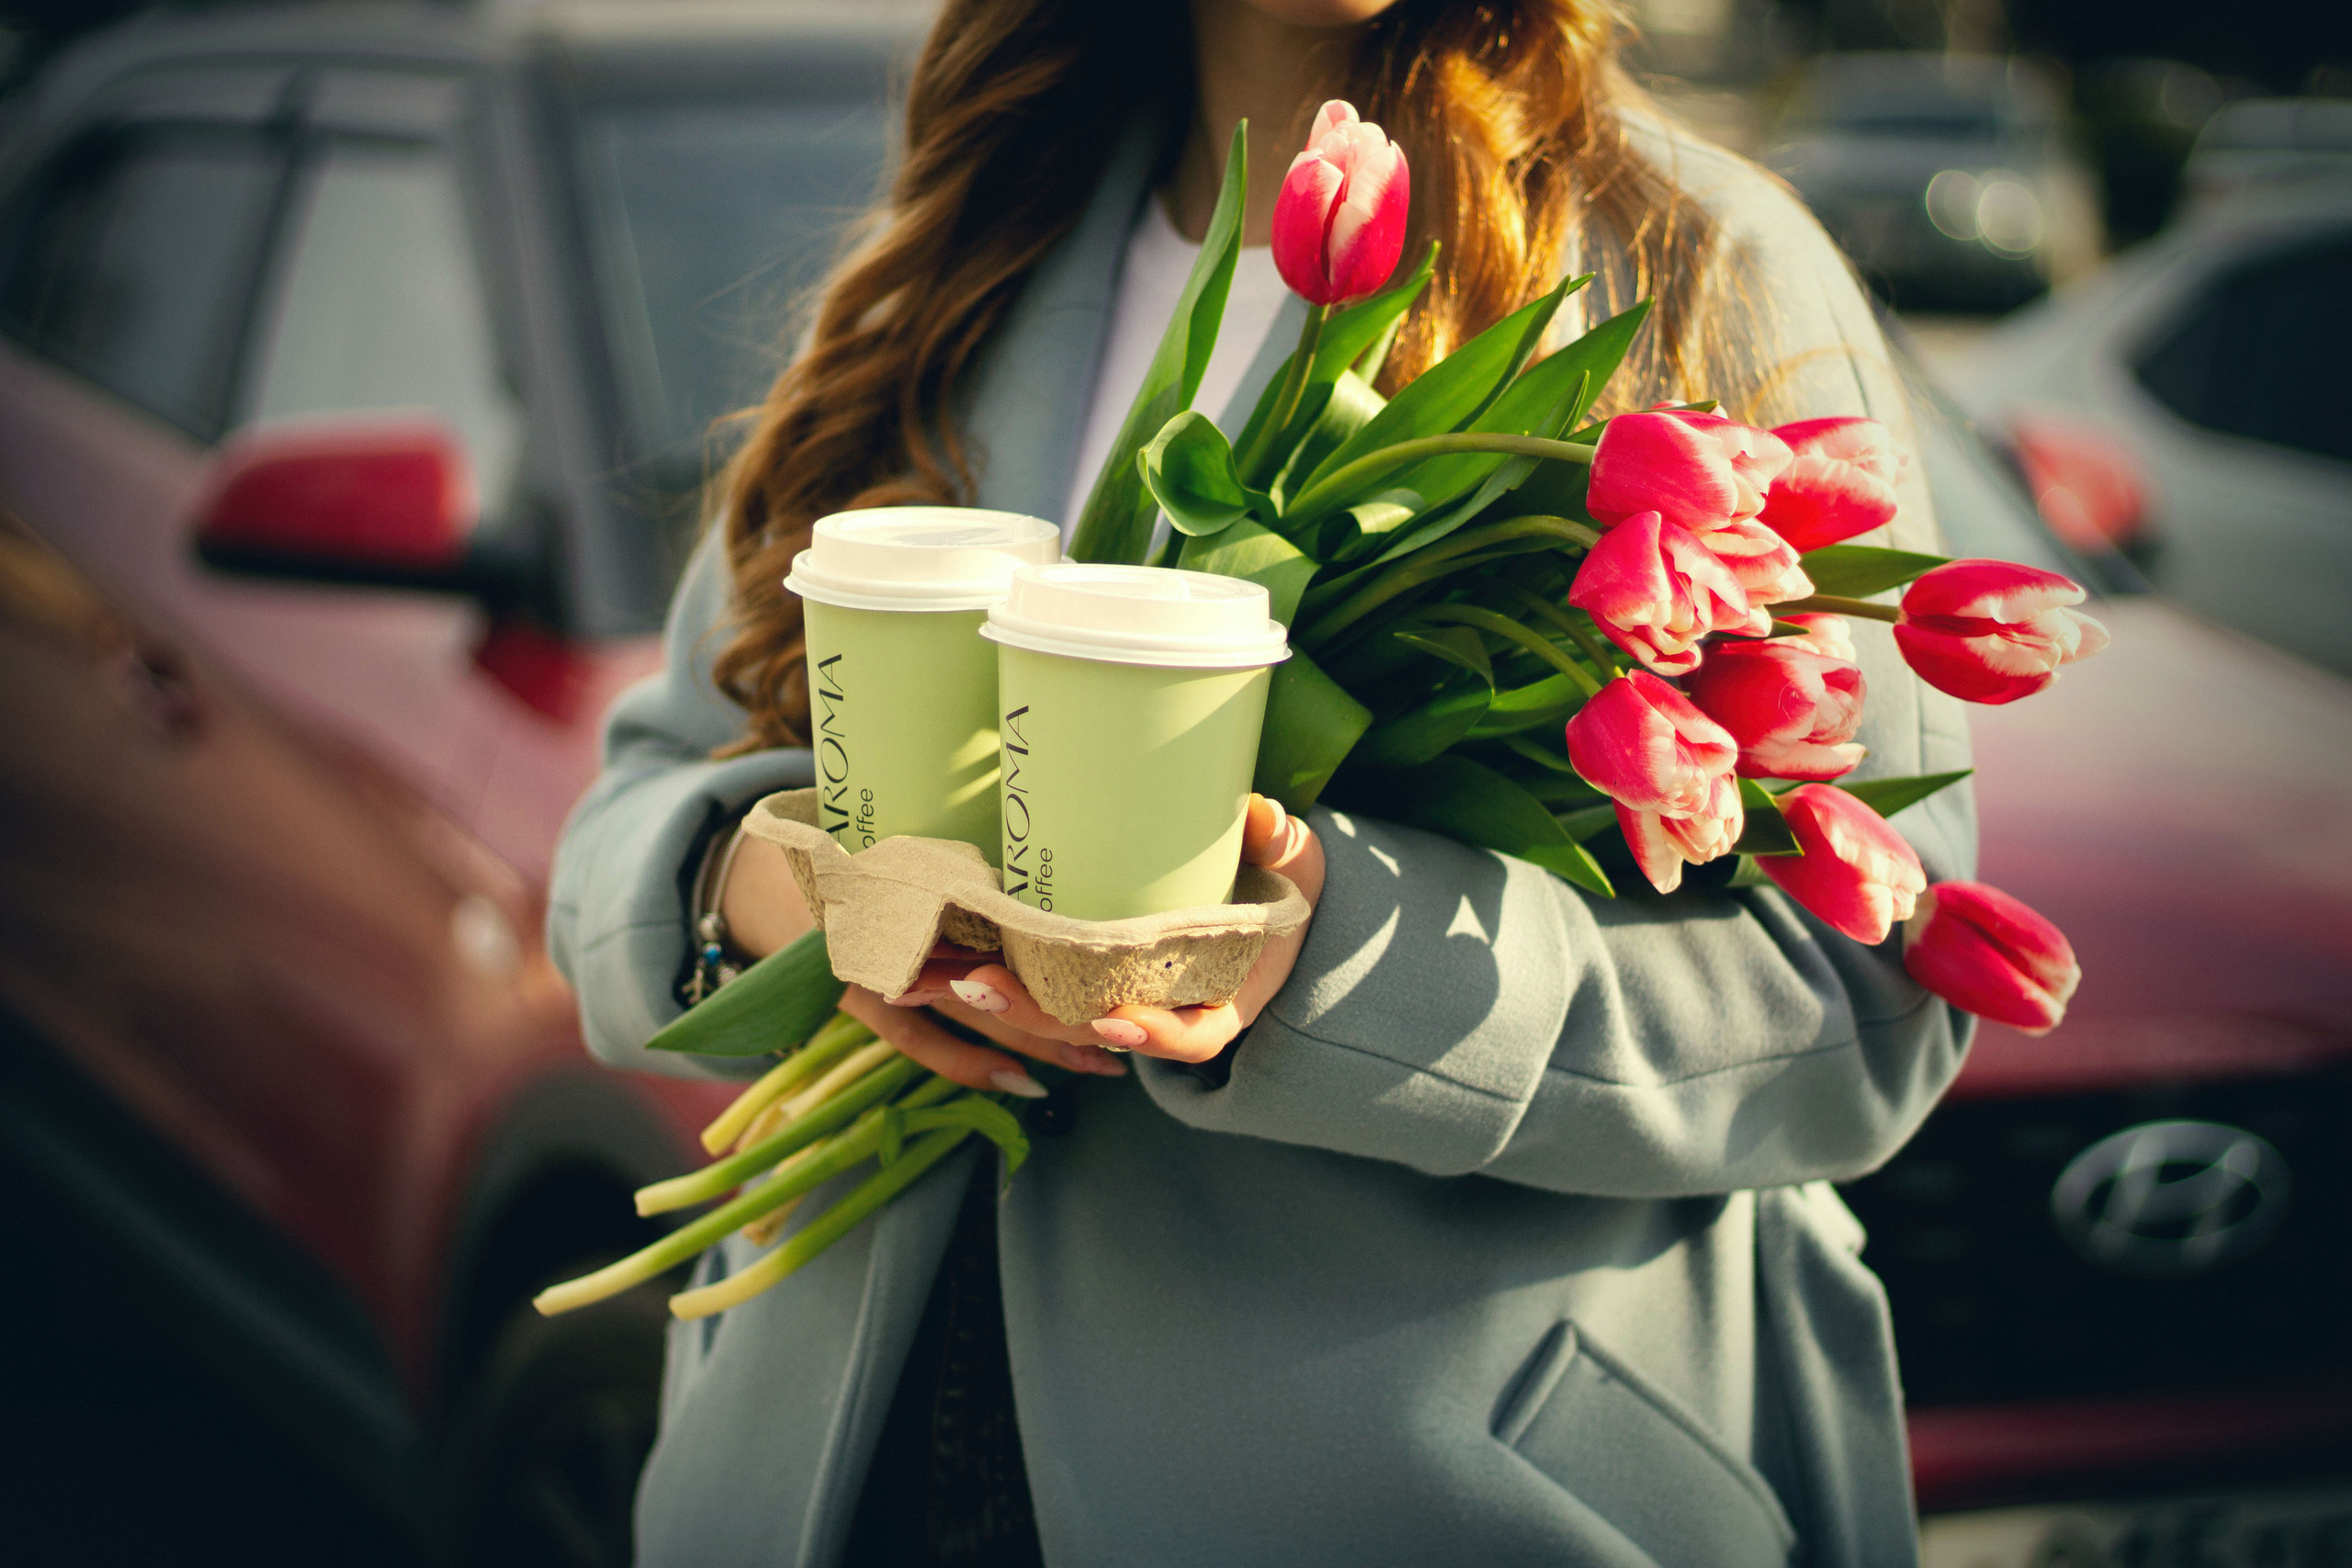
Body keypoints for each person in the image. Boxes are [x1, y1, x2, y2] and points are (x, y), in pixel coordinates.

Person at [548, 0, 1976, 1562]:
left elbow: (1862, 999)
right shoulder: (969, 245)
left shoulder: (1689, 257)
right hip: (849, 1463)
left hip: (1418, 1499)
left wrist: (1337, 963)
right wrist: (785, 894)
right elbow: (637, 817)